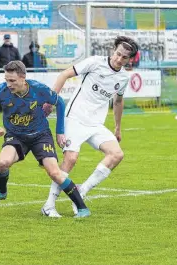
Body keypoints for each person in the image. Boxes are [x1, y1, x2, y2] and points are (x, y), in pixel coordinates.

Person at [40, 36, 139, 217]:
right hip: (75, 118)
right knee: (71, 159)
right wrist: (50, 100)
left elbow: (118, 101)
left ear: (129, 59)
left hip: (95, 124)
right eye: (117, 54)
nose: (119, 59)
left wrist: (117, 127)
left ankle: (82, 190)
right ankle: (49, 205)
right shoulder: (94, 62)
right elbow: (64, 74)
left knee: (117, 154)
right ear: (113, 50)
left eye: (124, 57)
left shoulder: (123, 77)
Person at [0, 60, 90, 218]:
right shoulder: (0, 91)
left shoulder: (38, 89)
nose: (9, 84)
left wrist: (60, 132)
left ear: (23, 77)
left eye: (12, 81)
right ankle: (1, 192)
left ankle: (82, 208)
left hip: (40, 135)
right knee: (3, 163)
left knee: (54, 173)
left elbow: (60, 104)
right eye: (6, 80)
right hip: (16, 136)